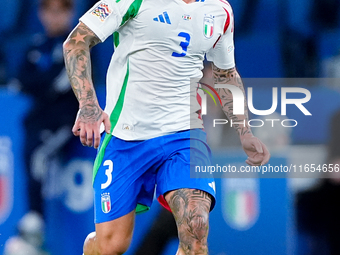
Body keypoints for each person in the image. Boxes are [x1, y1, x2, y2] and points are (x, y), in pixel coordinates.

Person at [63, 0, 270, 254]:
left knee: (196, 229)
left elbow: (225, 74)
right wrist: (88, 105)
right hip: (125, 137)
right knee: (110, 246)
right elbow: (75, 41)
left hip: (184, 136)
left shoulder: (220, 11)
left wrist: (244, 130)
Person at [19, 0, 78, 215]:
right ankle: (33, 222)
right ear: (41, 14)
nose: (54, 17)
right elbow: (22, 79)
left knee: (38, 157)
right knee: (31, 155)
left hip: (65, 120)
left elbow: (60, 83)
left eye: (59, 12)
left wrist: (40, 84)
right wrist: (43, 85)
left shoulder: (76, 44)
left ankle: (35, 220)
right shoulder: (37, 43)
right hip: (38, 118)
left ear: (70, 13)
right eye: (49, 11)